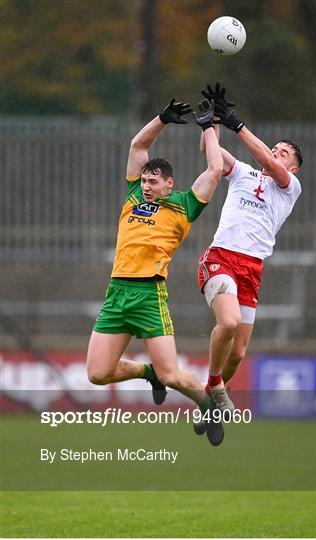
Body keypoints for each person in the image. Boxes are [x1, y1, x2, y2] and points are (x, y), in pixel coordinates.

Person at [86, 97, 225, 446]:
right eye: (144, 180)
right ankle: (148, 374)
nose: (146, 185)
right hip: (117, 292)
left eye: (153, 181)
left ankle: (208, 405)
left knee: (173, 375)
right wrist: (162, 119)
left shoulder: (184, 205)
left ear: (169, 184)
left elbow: (215, 170)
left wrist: (210, 127)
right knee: (97, 374)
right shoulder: (133, 196)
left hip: (149, 294)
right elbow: (139, 144)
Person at [196, 83, 303, 416]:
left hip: (252, 268)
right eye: (275, 149)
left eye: (283, 153)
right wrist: (211, 122)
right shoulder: (244, 173)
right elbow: (211, 154)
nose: (275, 153)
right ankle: (214, 385)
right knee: (228, 324)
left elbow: (270, 164)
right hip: (221, 258)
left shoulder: (289, 187)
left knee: (239, 352)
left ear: (294, 168)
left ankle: (208, 403)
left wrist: (237, 125)